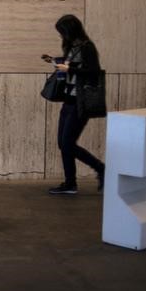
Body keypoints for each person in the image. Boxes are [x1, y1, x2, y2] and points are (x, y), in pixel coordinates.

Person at [48, 14, 105, 195]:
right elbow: (74, 68)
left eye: (63, 33)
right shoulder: (72, 47)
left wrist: (69, 68)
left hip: (80, 103)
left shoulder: (87, 47)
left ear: (71, 31)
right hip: (68, 100)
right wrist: (58, 62)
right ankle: (70, 184)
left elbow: (94, 71)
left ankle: (101, 168)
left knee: (67, 144)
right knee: (63, 143)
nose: (61, 37)